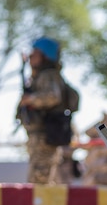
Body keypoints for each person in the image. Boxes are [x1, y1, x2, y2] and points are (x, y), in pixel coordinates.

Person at [17, 37, 76, 185]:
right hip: (39, 137)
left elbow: (53, 96)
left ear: (45, 56)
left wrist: (30, 99)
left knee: (40, 180)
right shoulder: (39, 77)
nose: (30, 57)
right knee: (39, 179)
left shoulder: (49, 75)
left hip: (45, 137)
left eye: (34, 54)